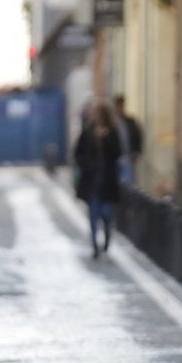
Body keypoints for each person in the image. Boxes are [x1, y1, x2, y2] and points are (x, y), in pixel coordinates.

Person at [73, 102, 123, 259]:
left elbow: (118, 152)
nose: (94, 115)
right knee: (93, 215)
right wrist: (86, 165)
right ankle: (95, 245)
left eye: (96, 112)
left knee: (106, 214)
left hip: (107, 179)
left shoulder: (113, 131)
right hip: (92, 179)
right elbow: (78, 151)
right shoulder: (88, 130)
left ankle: (107, 237)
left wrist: (106, 138)